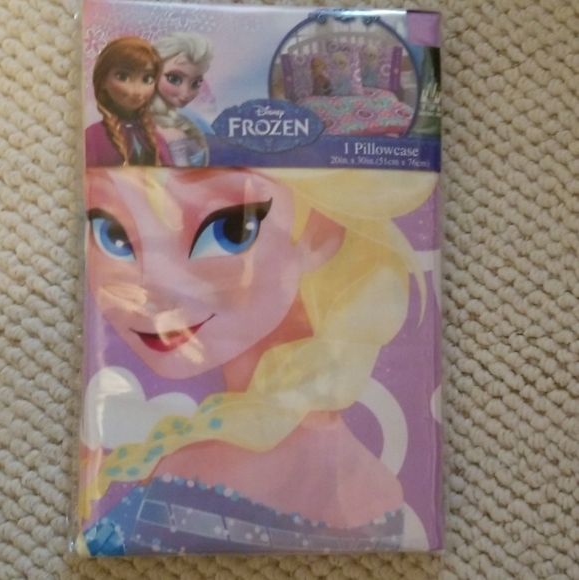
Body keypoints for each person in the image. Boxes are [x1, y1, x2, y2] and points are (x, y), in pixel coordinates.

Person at [78, 166, 439, 555]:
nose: (153, 289)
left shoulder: (194, 471)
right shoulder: (372, 482)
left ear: (319, 232)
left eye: (228, 229)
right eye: (112, 234)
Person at [85, 37, 172, 167]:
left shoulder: (155, 138)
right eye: (123, 77)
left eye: (147, 79)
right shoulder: (94, 137)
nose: (137, 91)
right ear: (102, 81)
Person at [151, 32, 214, 167]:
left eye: (195, 83)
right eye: (174, 79)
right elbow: (179, 177)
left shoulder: (181, 121)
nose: (186, 93)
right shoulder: (168, 132)